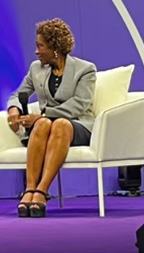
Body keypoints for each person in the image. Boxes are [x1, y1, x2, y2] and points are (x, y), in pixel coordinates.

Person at [7, 18, 96, 218]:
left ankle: (42, 190)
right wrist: (13, 109)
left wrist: (43, 114)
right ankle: (30, 190)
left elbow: (80, 103)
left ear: (55, 48)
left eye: (40, 46)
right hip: (46, 126)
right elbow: (17, 94)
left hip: (78, 125)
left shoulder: (85, 69)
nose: (37, 51)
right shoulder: (36, 69)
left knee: (60, 124)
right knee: (44, 124)